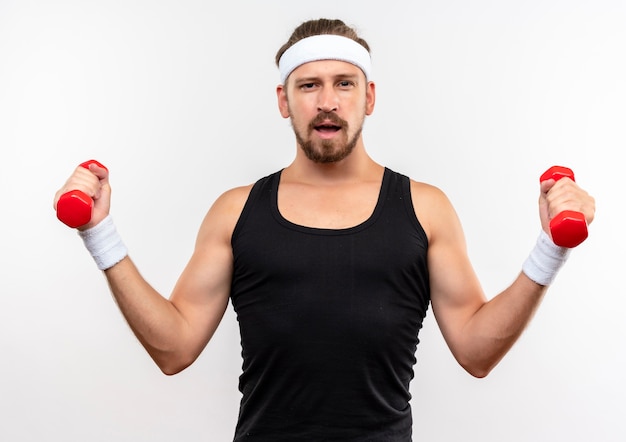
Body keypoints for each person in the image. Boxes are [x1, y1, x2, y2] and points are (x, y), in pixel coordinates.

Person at [54, 18, 595, 442]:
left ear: (370, 97)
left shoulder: (425, 210)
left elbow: (477, 351)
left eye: (344, 83)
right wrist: (100, 234)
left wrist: (550, 248)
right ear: (284, 100)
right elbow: (173, 348)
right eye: (309, 85)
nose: (328, 101)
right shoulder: (235, 212)